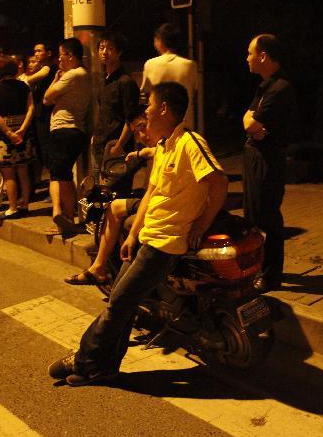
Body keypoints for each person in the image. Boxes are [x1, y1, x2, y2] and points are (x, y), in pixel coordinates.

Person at [48, 82, 227, 386]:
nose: (146, 111)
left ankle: (84, 359)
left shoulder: (190, 142)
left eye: (150, 106)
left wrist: (199, 226)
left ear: (164, 109)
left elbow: (219, 181)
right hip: (148, 237)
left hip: (165, 244)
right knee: (123, 304)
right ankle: (104, 367)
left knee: (119, 302)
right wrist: (133, 234)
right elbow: (152, 193)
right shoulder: (164, 146)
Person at [65, 109, 151, 286]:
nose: (141, 135)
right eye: (136, 131)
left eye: (143, 127)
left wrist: (132, 236)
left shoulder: (176, 143)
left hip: (164, 208)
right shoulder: (161, 146)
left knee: (115, 208)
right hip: (158, 200)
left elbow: (217, 181)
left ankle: (99, 268)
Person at [242, 34, 296, 292]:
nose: (248, 58)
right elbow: (247, 121)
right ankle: (257, 268)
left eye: (250, 53)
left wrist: (254, 125)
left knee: (267, 216)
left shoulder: (280, 88)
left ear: (263, 55)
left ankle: (271, 275)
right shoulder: (265, 86)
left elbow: (251, 123)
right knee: (253, 215)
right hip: (255, 155)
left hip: (268, 159)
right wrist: (253, 125)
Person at [42, 38, 91, 235]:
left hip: (65, 128)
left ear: (70, 55)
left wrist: (55, 82)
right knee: (58, 173)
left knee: (61, 174)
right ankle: (61, 215)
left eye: (61, 55)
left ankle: (66, 216)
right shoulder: (82, 75)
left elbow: (46, 98)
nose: (59, 60)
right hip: (70, 130)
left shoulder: (72, 75)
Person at [0, 56, 34, 219]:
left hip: (2, 137)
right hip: (23, 134)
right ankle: (25, 204)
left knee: (9, 174)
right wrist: (22, 130)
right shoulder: (24, 86)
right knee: (23, 170)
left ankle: (12, 208)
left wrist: (9, 133)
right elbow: (31, 108)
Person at [93, 31, 139, 182]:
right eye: (101, 47)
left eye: (110, 48)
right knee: (102, 193)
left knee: (117, 193)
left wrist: (119, 146)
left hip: (116, 148)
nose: (104, 52)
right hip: (100, 145)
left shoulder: (125, 82)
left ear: (119, 52)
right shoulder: (103, 80)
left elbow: (132, 119)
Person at [142, 23, 197, 129]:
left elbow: (145, 94)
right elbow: (194, 95)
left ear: (160, 41)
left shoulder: (150, 64)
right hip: (185, 122)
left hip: (158, 123)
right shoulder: (191, 66)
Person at [26, 43, 56, 183]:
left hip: (47, 114)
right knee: (41, 151)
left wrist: (25, 80)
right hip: (39, 115)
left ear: (49, 53)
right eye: (35, 51)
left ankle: (54, 187)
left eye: (39, 51)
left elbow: (43, 73)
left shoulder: (49, 69)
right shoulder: (40, 71)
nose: (36, 54)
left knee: (48, 151)